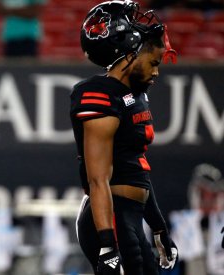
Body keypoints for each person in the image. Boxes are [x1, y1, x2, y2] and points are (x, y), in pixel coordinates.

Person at [70, 1, 179, 274]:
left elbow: (136, 167)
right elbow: (97, 179)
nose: (156, 72)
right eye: (153, 62)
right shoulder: (98, 94)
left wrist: (158, 226)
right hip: (110, 219)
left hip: (129, 215)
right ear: (129, 52)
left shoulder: (135, 95)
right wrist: (108, 246)